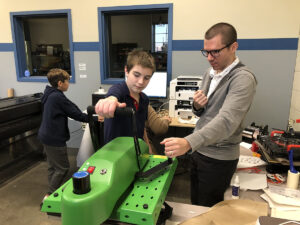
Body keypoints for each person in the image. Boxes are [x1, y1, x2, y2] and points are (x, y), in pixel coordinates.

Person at [160, 22, 257, 207]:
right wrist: (196, 105)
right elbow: (204, 112)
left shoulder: (243, 79)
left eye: (215, 52)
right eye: (206, 52)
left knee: (208, 207)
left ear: (233, 47)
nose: (209, 58)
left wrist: (188, 142)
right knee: (195, 204)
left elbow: (227, 121)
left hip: (218, 158)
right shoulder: (210, 73)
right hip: (200, 151)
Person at [38, 68, 89, 204]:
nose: (69, 84)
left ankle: (53, 191)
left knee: (53, 166)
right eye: (67, 81)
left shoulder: (49, 93)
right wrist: (94, 118)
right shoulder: (57, 97)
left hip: (46, 136)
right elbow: (75, 113)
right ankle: (49, 197)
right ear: (60, 83)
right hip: (54, 138)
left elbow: (71, 108)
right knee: (63, 168)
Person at [95, 50, 156, 144]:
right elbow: (113, 95)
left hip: (135, 151)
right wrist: (110, 100)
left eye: (146, 78)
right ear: (126, 71)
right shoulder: (119, 90)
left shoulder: (144, 100)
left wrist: (148, 148)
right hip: (115, 154)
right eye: (136, 75)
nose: (141, 82)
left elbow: (142, 127)